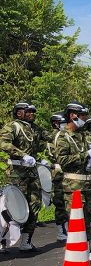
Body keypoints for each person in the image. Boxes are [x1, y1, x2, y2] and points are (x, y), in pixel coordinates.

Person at [55, 102, 91, 263]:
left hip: (87, 184)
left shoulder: (82, 135)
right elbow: (63, 161)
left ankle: (87, 250)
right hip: (73, 186)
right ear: (72, 115)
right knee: (77, 220)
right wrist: (86, 155)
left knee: (88, 219)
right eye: (82, 116)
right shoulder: (63, 136)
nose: (85, 118)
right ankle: (76, 253)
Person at [0, 102, 44, 252]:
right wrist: (22, 154)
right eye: (29, 111)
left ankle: (26, 241)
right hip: (16, 172)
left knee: (34, 205)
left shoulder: (35, 128)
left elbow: (50, 139)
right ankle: (2, 240)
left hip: (31, 172)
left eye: (33, 111)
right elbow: (3, 143)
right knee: (12, 208)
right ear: (19, 113)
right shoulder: (12, 126)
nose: (32, 114)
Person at [46, 113, 69, 241]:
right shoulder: (52, 138)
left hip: (68, 173)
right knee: (60, 202)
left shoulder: (66, 136)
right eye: (62, 123)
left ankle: (68, 227)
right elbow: (51, 154)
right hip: (58, 174)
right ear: (55, 123)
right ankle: (61, 229)